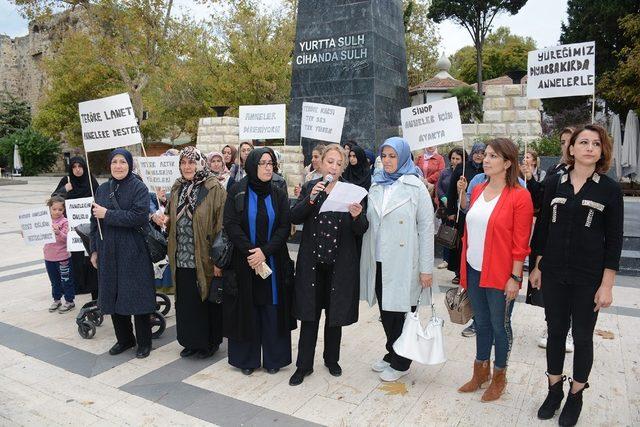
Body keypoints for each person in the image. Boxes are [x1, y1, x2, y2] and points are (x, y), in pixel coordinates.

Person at [529, 124, 623, 426]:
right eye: (583, 142)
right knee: (555, 332)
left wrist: (606, 285)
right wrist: (537, 266)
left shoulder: (609, 189)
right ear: (571, 148)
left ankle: (576, 395)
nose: (589, 148)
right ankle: (553, 390)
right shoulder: (555, 182)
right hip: (554, 272)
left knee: (582, 337)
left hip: (588, 277)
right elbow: (543, 227)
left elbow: (615, 240)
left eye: (596, 143)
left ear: (602, 151)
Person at [456, 138, 533, 402]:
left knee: (500, 326)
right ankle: (480, 373)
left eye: (493, 156)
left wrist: (515, 277)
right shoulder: (478, 190)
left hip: (501, 274)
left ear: (508, 163)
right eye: (485, 155)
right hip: (474, 268)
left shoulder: (520, 196)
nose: (485, 159)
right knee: (481, 323)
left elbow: (520, 244)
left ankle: (499, 377)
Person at [289, 144, 368, 386]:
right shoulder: (312, 187)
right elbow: (294, 216)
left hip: (339, 265)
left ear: (343, 166)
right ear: (321, 163)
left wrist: (357, 216)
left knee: (335, 316)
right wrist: (311, 200)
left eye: (338, 163)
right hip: (313, 264)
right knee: (310, 316)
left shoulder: (351, 191)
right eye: (329, 161)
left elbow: (361, 229)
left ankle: (331, 360)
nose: (333, 166)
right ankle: (303, 365)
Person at [360, 137, 434, 382]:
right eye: (385, 155)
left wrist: (426, 269)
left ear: (403, 157)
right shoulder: (376, 184)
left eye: (393, 156)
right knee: (386, 310)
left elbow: (426, 228)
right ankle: (393, 350)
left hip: (405, 262)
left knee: (402, 311)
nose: (387, 160)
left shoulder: (416, 186)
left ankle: (401, 362)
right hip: (379, 258)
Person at [223, 147, 296, 375]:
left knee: (272, 308)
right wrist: (251, 253)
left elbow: (285, 227)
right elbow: (231, 224)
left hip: (272, 261)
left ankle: (275, 359)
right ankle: (247, 360)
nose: (267, 167)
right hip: (245, 262)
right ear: (252, 165)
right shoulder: (237, 191)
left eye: (270, 163)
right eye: (263, 163)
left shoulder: (279, 193)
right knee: (248, 308)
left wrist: (264, 252)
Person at [90, 148, 156, 359]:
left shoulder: (139, 187)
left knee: (137, 297)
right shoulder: (102, 189)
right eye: (114, 162)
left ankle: (144, 342)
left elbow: (138, 217)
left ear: (129, 165)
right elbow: (94, 222)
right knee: (114, 295)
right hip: (108, 251)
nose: (118, 166)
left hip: (133, 251)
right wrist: (93, 250)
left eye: (122, 162)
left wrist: (107, 214)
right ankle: (125, 339)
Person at [163, 146, 226, 359]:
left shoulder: (213, 187)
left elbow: (221, 224)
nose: (187, 167)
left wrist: (219, 260)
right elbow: (170, 216)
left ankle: (208, 343)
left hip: (204, 256)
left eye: (191, 162)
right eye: (183, 163)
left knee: (204, 301)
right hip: (181, 256)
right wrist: (164, 219)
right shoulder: (177, 187)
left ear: (200, 163)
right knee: (186, 302)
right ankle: (189, 341)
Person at [52, 156, 100, 299]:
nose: (77, 170)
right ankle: (77, 288)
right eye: (74, 167)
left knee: (90, 258)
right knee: (76, 260)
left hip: (89, 228)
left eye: (80, 166)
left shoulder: (91, 181)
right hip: (71, 231)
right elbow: (54, 201)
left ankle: (95, 290)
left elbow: (100, 198)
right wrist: (64, 190)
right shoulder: (66, 181)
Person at [445, 142, 485, 288]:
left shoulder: (487, 169)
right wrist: (450, 211)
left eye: (482, 152)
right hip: (463, 212)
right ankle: (459, 271)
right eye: (477, 152)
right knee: (461, 242)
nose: (479, 155)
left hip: (480, 214)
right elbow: (451, 190)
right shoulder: (462, 168)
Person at [43, 195, 75, 313]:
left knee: (66, 280)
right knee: (54, 281)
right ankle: (57, 299)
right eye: (54, 209)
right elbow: (37, 235)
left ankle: (70, 301)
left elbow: (67, 239)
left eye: (60, 209)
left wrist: (58, 232)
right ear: (50, 208)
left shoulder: (65, 222)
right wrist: (27, 233)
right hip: (49, 257)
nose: (57, 212)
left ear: (64, 210)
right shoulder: (44, 221)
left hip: (63, 257)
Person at [435, 147, 464, 270]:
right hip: (446, 208)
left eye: (458, 158)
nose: (455, 161)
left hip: (459, 209)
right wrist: (444, 199)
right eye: (453, 158)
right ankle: (446, 259)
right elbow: (439, 187)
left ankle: (457, 263)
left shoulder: (463, 173)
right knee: (446, 233)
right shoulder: (445, 172)